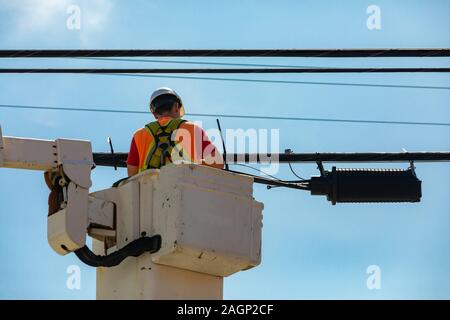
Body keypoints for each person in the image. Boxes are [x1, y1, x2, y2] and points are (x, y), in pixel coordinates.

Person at [127, 87, 224, 176]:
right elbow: (217, 163)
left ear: (154, 113)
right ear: (176, 107)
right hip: (186, 189)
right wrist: (191, 165)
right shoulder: (191, 128)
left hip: (148, 192)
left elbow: (131, 175)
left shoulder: (139, 135)